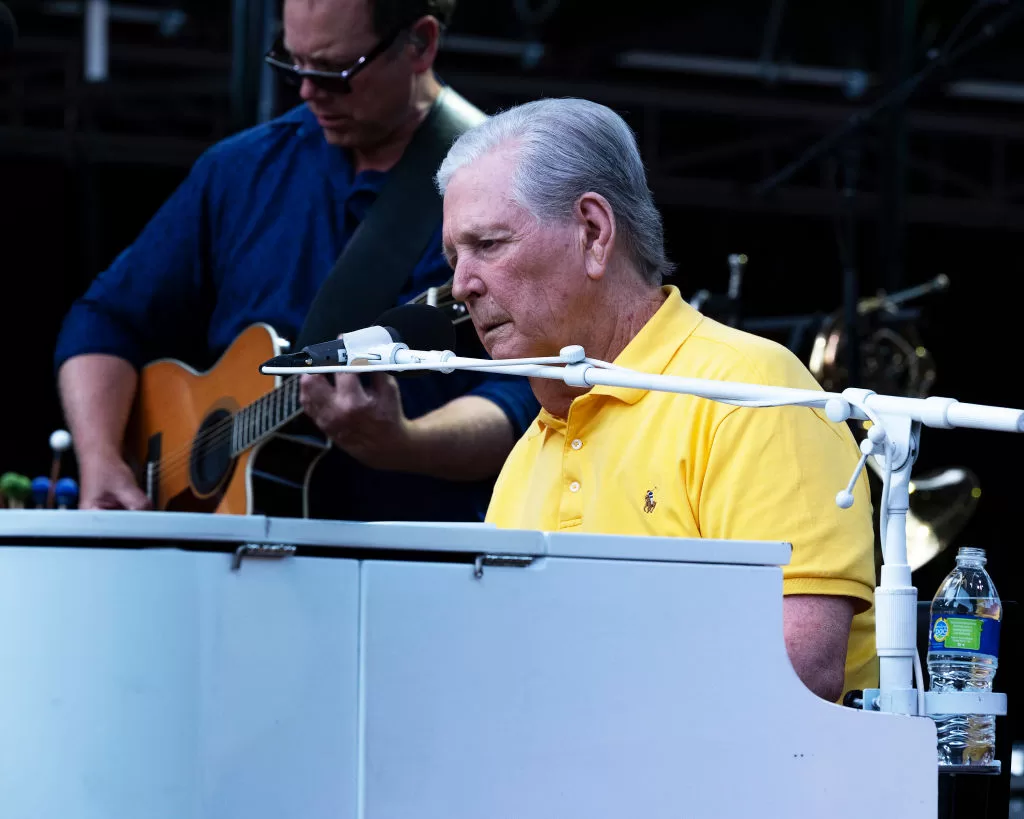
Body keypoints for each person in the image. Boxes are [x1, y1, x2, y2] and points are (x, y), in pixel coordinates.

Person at [436, 97, 877, 702]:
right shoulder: (526, 455)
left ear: (593, 232)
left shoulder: (749, 391)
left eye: (487, 244)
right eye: (453, 258)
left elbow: (797, 675)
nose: (462, 285)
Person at [52, 0, 538, 522]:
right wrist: (102, 461)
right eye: (292, 63)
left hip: (416, 559)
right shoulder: (238, 170)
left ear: (420, 43)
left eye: (334, 71)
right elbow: (105, 320)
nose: (307, 91)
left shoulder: (503, 191)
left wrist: (406, 442)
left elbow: (530, 395)